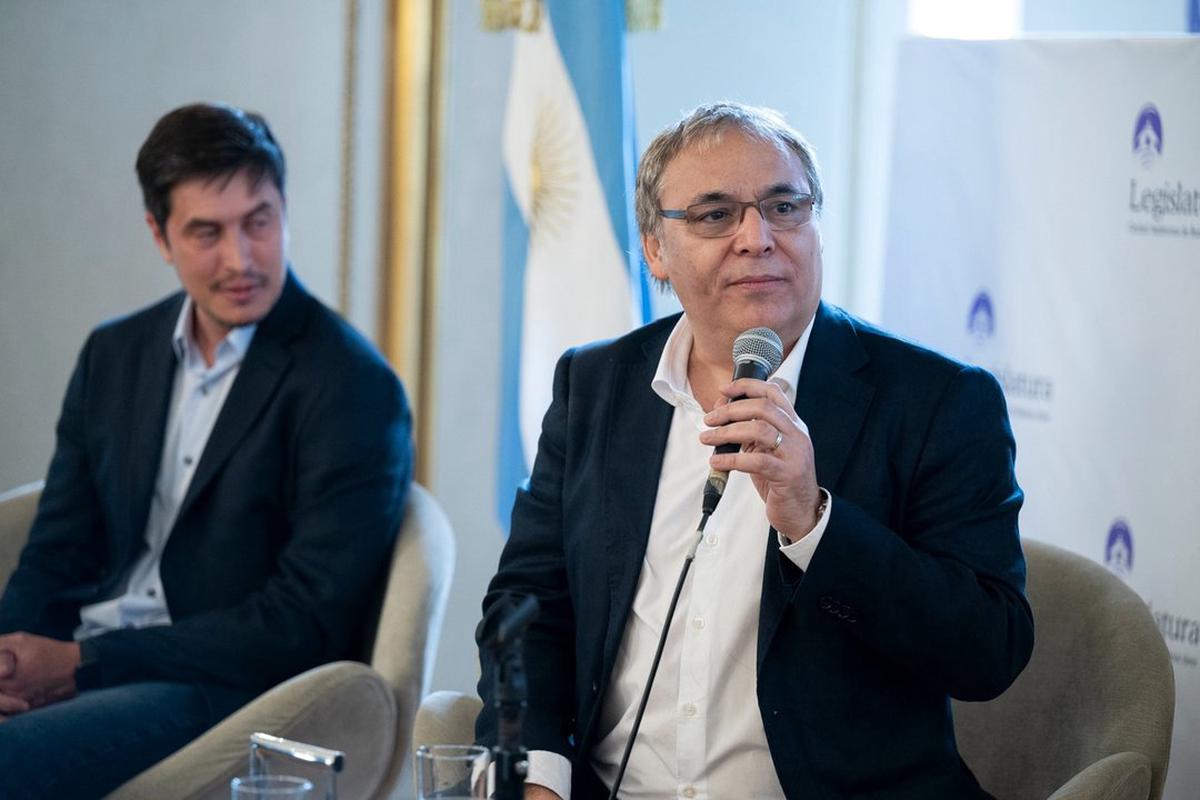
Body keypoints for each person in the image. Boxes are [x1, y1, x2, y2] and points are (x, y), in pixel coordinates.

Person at [476, 102, 1033, 799]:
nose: (757, 237)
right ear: (654, 248)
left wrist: (814, 522)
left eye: (784, 206)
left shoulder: (936, 401)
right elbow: (526, 607)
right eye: (714, 214)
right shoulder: (596, 386)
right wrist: (539, 778)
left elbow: (990, 649)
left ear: (815, 227)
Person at [0, 103, 412, 798]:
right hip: (89, 658)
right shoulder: (115, 355)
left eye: (259, 221)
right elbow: (56, 550)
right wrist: (13, 661)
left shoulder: (351, 386)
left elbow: (304, 623)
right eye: (206, 232)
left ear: (284, 209)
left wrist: (82, 663)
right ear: (159, 236)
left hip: (223, 691)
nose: (240, 259)